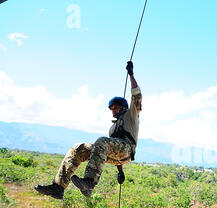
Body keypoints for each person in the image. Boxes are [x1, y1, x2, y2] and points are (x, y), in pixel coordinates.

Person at [35, 61, 142, 199]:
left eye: (116, 107)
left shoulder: (131, 114)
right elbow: (111, 149)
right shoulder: (113, 128)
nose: (113, 110)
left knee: (102, 141)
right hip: (117, 156)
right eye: (112, 108)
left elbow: (137, 96)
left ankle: (89, 183)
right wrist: (120, 171)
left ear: (123, 107)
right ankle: (58, 187)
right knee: (78, 148)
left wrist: (131, 74)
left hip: (127, 149)